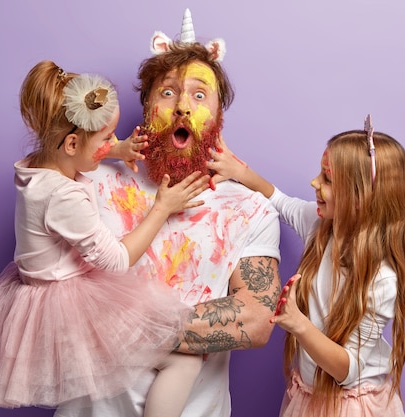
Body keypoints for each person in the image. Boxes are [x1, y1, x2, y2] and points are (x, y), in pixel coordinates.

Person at [54, 9, 282, 417]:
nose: (181, 107)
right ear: (146, 108)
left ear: (218, 116)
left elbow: (255, 319)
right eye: (167, 92)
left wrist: (121, 327)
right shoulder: (92, 181)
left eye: (199, 95)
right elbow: (53, 293)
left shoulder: (249, 208)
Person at [0, 59, 212, 415]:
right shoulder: (63, 197)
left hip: (38, 290)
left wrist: (114, 150)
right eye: (106, 139)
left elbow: (74, 153)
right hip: (66, 304)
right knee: (185, 361)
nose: (113, 143)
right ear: (72, 144)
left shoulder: (38, 164)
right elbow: (117, 261)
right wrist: (162, 207)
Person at [207, 116, 405, 416]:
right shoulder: (320, 227)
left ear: (360, 198)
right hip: (310, 393)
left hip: (350, 406)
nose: (315, 182)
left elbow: (348, 371)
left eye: (327, 179)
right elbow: (280, 201)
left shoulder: (382, 279)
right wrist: (240, 172)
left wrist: (298, 323)